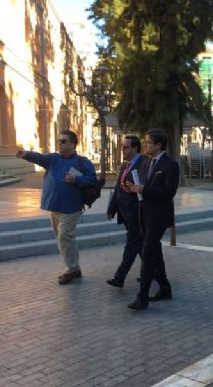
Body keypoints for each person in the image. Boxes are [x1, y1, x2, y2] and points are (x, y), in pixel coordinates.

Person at [16, 130, 97, 284]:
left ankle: (71, 269)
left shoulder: (82, 161)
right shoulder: (53, 159)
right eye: (59, 141)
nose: (60, 144)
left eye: (64, 141)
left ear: (73, 144)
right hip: (54, 205)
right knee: (64, 238)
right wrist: (25, 153)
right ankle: (75, 268)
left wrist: (76, 179)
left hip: (72, 206)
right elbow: (39, 158)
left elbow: (92, 180)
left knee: (64, 236)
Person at [124, 130, 179, 310]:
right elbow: (143, 185)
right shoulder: (146, 162)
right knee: (155, 253)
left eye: (148, 143)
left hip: (159, 216)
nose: (145, 145)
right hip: (144, 214)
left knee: (147, 254)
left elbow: (168, 192)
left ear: (158, 145)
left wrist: (143, 190)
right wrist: (133, 188)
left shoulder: (170, 164)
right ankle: (164, 287)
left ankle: (143, 297)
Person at [106, 135, 145, 288]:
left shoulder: (143, 164)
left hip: (137, 213)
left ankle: (119, 277)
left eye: (126, 147)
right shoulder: (125, 166)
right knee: (141, 245)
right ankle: (153, 271)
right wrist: (112, 209)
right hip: (125, 212)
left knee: (132, 244)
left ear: (135, 148)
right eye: (122, 147)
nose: (122, 150)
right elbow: (118, 190)